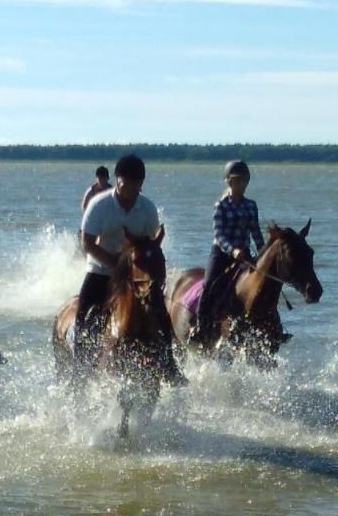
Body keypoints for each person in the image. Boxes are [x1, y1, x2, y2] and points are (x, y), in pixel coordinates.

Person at [75, 153, 185, 385]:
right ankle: (80, 369)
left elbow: (150, 244)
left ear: (141, 184)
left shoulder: (147, 208)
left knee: (161, 315)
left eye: (136, 186)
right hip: (101, 272)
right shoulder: (99, 205)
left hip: (136, 277)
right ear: (117, 181)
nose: (130, 191)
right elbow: (87, 243)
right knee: (84, 317)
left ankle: (169, 364)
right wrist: (115, 264)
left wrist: (148, 270)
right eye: (126, 184)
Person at [189, 159, 265, 347]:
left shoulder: (251, 205)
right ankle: (200, 325)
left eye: (244, 181)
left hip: (245, 254)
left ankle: (273, 326)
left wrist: (262, 252)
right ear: (229, 182)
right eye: (237, 180)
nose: (241, 184)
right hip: (222, 253)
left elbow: (255, 232)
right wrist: (233, 250)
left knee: (263, 284)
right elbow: (219, 234)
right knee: (209, 285)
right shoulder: (221, 205)